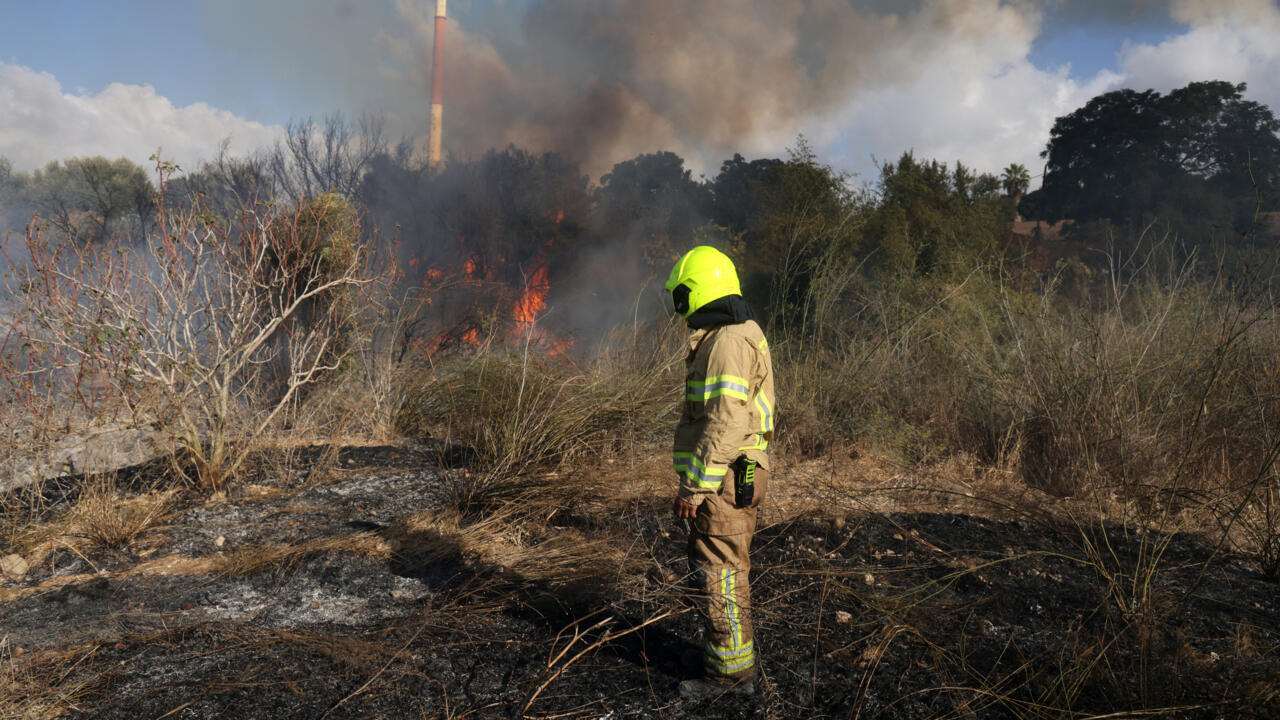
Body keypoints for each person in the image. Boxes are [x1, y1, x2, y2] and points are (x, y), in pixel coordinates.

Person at [665, 246, 775, 700]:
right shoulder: (737, 332)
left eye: (681, 296)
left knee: (720, 574)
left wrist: (694, 487)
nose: (680, 308)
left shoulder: (728, 342)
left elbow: (725, 421)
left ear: (698, 291)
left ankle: (729, 677)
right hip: (735, 473)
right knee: (721, 570)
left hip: (723, 478)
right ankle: (726, 657)